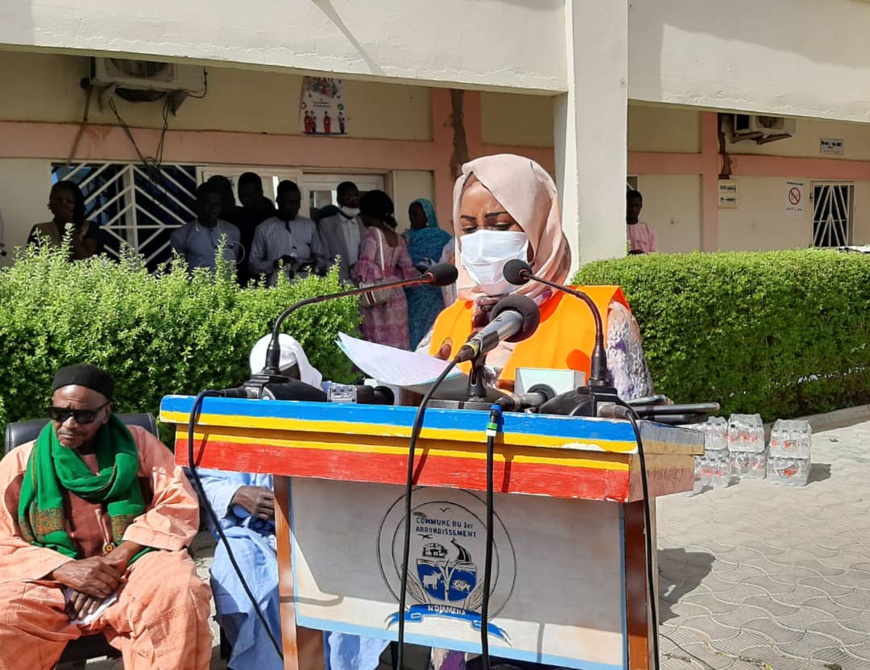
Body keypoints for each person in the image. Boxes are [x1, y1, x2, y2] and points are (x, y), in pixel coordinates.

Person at [423, 155, 654, 670]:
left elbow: (643, 444)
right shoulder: (449, 321)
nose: (481, 241)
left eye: (499, 226)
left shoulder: (597, 316)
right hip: (454, 552)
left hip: (563, 556)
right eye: (468, 228)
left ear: (538, 228)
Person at [0, 363, 212, 669]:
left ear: (106, 412)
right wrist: (64, 570)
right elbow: (3, 538)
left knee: (181, 593)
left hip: (132, 569)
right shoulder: (21, 462)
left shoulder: (139, 446)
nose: (69, 424)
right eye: (59, 413)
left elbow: (176, 503)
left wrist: (117, 560)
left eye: (83, 416)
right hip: (48, 581)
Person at [197, 334, 322, 670]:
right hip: (252, 534)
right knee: (236, 576)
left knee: (342, 597)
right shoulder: (237, 410)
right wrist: (236, 495)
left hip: (321, 533)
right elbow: (201, 478)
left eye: (289, 377)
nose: (280, 388)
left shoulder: (332, 402)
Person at [352, 190, 418, 349]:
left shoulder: (371, 235)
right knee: (398, 340)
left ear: (368, 214)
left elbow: (366, 269)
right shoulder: (398, 237)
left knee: (378, 342)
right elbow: (408, 267)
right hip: (396, 293)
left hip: (378, 295)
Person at [249, 180, 328, 287]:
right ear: (278, 200)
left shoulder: (309, 225)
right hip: (277, 287)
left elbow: (322, 258)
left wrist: (312, 263)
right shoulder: (264, 228)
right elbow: (253, 266)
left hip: (306, 286)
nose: (294, 206)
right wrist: (275, 264)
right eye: (289, 202)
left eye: (297, 202)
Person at [403, 198, 452, 349]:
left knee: (432, 330)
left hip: (433, 294)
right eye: (410, 214)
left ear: (428, 215)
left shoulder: (442, 238)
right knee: (412, 329)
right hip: (412, 294)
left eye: (416, 214)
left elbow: (449, 260)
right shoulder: (406, 238)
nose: (413, 219)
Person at [171, 181, 242, 275]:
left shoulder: (232, 231)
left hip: (227, 288)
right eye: (209, 204)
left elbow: (234, 262)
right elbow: (179, 272)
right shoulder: (181, 235)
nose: (213, 209)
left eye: (217, 205)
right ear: (199, 204)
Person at [27, 180, 107, 260]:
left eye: (69, 201)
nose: (63, 204)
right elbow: (32, 261)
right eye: (58, 200)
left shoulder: (89, 227)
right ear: (51, 202)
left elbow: (84, 259)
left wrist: (68, 223)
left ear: (76, 205)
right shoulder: (40, 229)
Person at [235, 172, 278, 286]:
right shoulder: (238, 216)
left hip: (270, 274)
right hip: (243, 272)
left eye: (249, 196)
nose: (245, 200)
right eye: (241, 195)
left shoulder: (272, 218)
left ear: (260, 193)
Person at [319, 181, 365, 283]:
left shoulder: (363, 223)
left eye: (356, 198)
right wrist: (340, 277)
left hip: (362, 281)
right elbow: (324, 257)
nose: (353, 202)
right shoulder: (327, 224)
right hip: (338, 281)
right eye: (348, 198)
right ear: (339, 199)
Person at [626, 189, 657, 254]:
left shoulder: (648, 230)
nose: (633, 209)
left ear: (640, 207)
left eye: (636, 206)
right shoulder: (618, 230)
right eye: (630, 206)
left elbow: (653, 254)